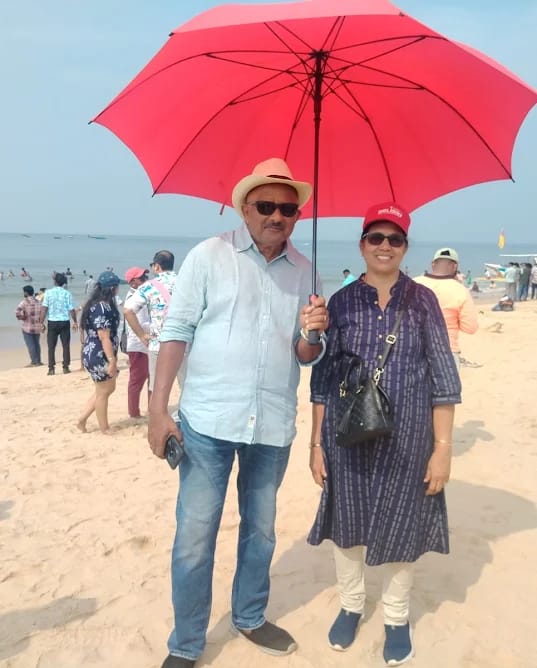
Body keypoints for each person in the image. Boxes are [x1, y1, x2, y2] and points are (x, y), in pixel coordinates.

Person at [147, 158, 329, 668]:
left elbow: (305, 355)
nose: (277, 216)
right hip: (206, 422)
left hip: (271, 424)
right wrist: (158, 411)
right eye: (266, 206)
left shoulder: (306, 270)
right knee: (194, 537)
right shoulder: (209, 255)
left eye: (288, 209)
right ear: (245, 208)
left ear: (298, 216)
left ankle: (249, 616)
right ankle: (186, 643)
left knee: (261, 532)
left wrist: (313, 332)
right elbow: (175, 332)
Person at [308, 202, 461, 666]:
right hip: (346, 433)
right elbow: (322, 379)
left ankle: (396, 617)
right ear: (362, 246)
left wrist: (442, 449)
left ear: (405, 248)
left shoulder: (423, 300)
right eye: (376, 237)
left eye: (394, 239)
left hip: (409, 436)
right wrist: (315, 445)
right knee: (347, 523)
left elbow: (444, 378)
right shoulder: (340, 303)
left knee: (401, 525)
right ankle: (352, 605)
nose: (385, 246)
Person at [414, 248, 479, 371]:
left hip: (414, 349)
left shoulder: (414, 283)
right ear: (455, 266)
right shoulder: (460, 290)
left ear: (433, 264)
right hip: (447, 349)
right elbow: (470, 328)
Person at [123, 250, 177, 396]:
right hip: (183, 342)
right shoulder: (186, 282)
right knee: (185, 385)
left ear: (157, 266)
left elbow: (128, 311)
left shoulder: (149, 286)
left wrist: (141, 335)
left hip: (159, 343)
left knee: (156, 387)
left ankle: (156, 411)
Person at [77, 271, 121, 434]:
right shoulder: (102, 308)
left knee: (106, 389)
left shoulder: (97, 305)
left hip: (95, 351)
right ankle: (104, 428)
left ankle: (82, 419)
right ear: (112, 288)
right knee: (103, 392)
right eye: (117, 286)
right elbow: (104, 336)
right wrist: (111, 360)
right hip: (99, 353)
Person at [123, 267, 150, 418]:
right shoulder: (133, 298)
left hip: (146, 342)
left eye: (145, 276)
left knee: (152, 377)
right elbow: (139, 322)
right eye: (142, 278)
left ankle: (151, 409)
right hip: (138, 344)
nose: (145, 279)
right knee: (137, 379)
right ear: (133, 282)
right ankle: (134, 413)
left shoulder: (142, 295)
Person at [40, 272, 78, 375]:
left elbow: (44, 308)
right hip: (64, 321)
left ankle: (51, 368)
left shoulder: (48, 293)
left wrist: (41, 322)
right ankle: (65, 367)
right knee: (65, 345)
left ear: (55, 281)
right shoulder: (67, 293)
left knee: (51, 346)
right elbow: (71, 309)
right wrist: (75, 321)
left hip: (52, 322)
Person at [15, 285, 43, 367]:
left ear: (26, 293)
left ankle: (34, 362)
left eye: (24, 292)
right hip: (37, 326)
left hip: (27, 327)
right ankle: (38, 361)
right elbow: (42, 312)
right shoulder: (38, 302)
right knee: (37, 344)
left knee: (30, 344)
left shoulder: (24, 302)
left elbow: (17, 312)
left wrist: (22, 317)